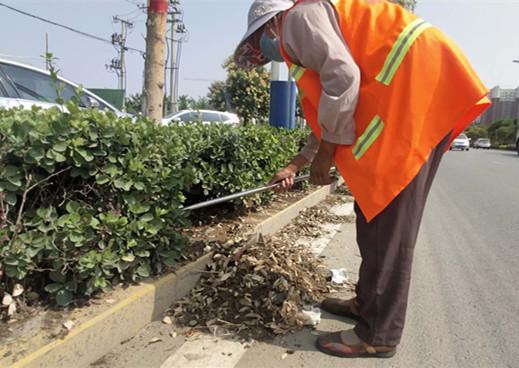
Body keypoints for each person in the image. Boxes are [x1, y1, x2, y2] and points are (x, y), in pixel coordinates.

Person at [234, 0, 490, 359]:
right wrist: (299, 162)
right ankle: (367, 304)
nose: (265, 50)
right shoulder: (306, 32)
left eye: (260, 40)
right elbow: (330, 102)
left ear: (271, 24)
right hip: (412, 97)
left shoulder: (296, 20)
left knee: (390, 225)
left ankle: (379, 334)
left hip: (416, 99)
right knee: (372, 212)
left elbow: (343, 78)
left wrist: (325, 156)